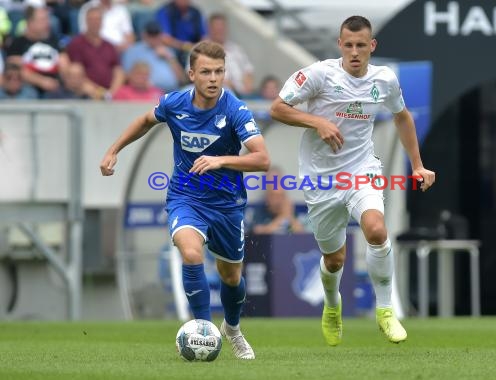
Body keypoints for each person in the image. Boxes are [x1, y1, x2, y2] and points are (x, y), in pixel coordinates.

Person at [270, 15, 435, 346]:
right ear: (340, 45)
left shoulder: (385, 79)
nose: (355, 52)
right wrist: (316, 121)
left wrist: (417, 164)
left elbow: (402, 117)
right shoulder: (318, 74)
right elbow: (277, 108)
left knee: (376, 229)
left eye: (362, 45)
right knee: (335, 259)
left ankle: (386, 311)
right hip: (321, 179)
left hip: (361, 171)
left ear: (372, 46)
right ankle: (332, 307)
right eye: (349, 45)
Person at [100, 41, 269, 360]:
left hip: (227, 204)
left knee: (231, 276)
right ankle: (203, 331)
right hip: (185, 197)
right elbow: (143, 121)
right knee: (190, 254)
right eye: (206, 72)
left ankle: (232, 329)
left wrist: (221, 161)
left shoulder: (235, 109)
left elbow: (262, 159)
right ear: (191, 74)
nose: (213, 78)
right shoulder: (175, 103)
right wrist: (113, 150)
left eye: (219, 72)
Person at [66, 6, 124, 100]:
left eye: (97, 19)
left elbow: (118, 70)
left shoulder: (109, 46)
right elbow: (76, 71)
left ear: (102, 21)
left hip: (110, 93)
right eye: (91, 19)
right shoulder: (77, 44)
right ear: (86, 21)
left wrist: (111, 93)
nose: (95, 22)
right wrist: (97, 92)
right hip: (86, 92)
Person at [207, 13, 254, 97]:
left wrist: (248, 85)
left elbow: (248, 70)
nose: (220, 30)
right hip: (220, 93)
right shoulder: (202, 50)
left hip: (243, 93)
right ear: (210, 29)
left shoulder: (236, 49)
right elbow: (195, 75)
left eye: (222, 27)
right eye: (216, 28)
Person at [251, 167, 305, 235]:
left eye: (280, 196)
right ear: (267, 196)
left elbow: (302, 235)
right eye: (274, 196)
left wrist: (289, 216)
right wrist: (282, 217)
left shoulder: (293, 211)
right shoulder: (260, 211)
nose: (277, 201)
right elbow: (259, 232)